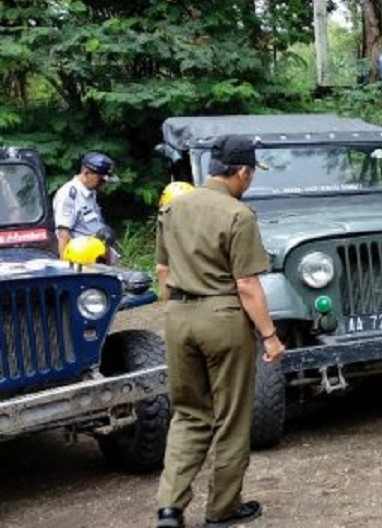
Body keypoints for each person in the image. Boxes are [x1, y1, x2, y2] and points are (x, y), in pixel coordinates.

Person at [154, 135, 286, 528]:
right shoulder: (237, 214)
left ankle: (169, 509)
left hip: (178, 316)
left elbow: (162, 271)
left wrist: (180, 306)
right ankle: (222, 509)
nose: (251, 182)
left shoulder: (173, 207)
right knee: (231, 416)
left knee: (189, 413)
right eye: (251, 175)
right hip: (222, 317)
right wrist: (270, 336)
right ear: (242, 172)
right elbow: (246, 284)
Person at [53, 151, 116, 255]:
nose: (103, 183)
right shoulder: (69, 194)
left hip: (94, 257)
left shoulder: (90, 192)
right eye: (100, 180)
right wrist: (67, 268)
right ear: (86, 173)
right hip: (80, 261)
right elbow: (63, 235)